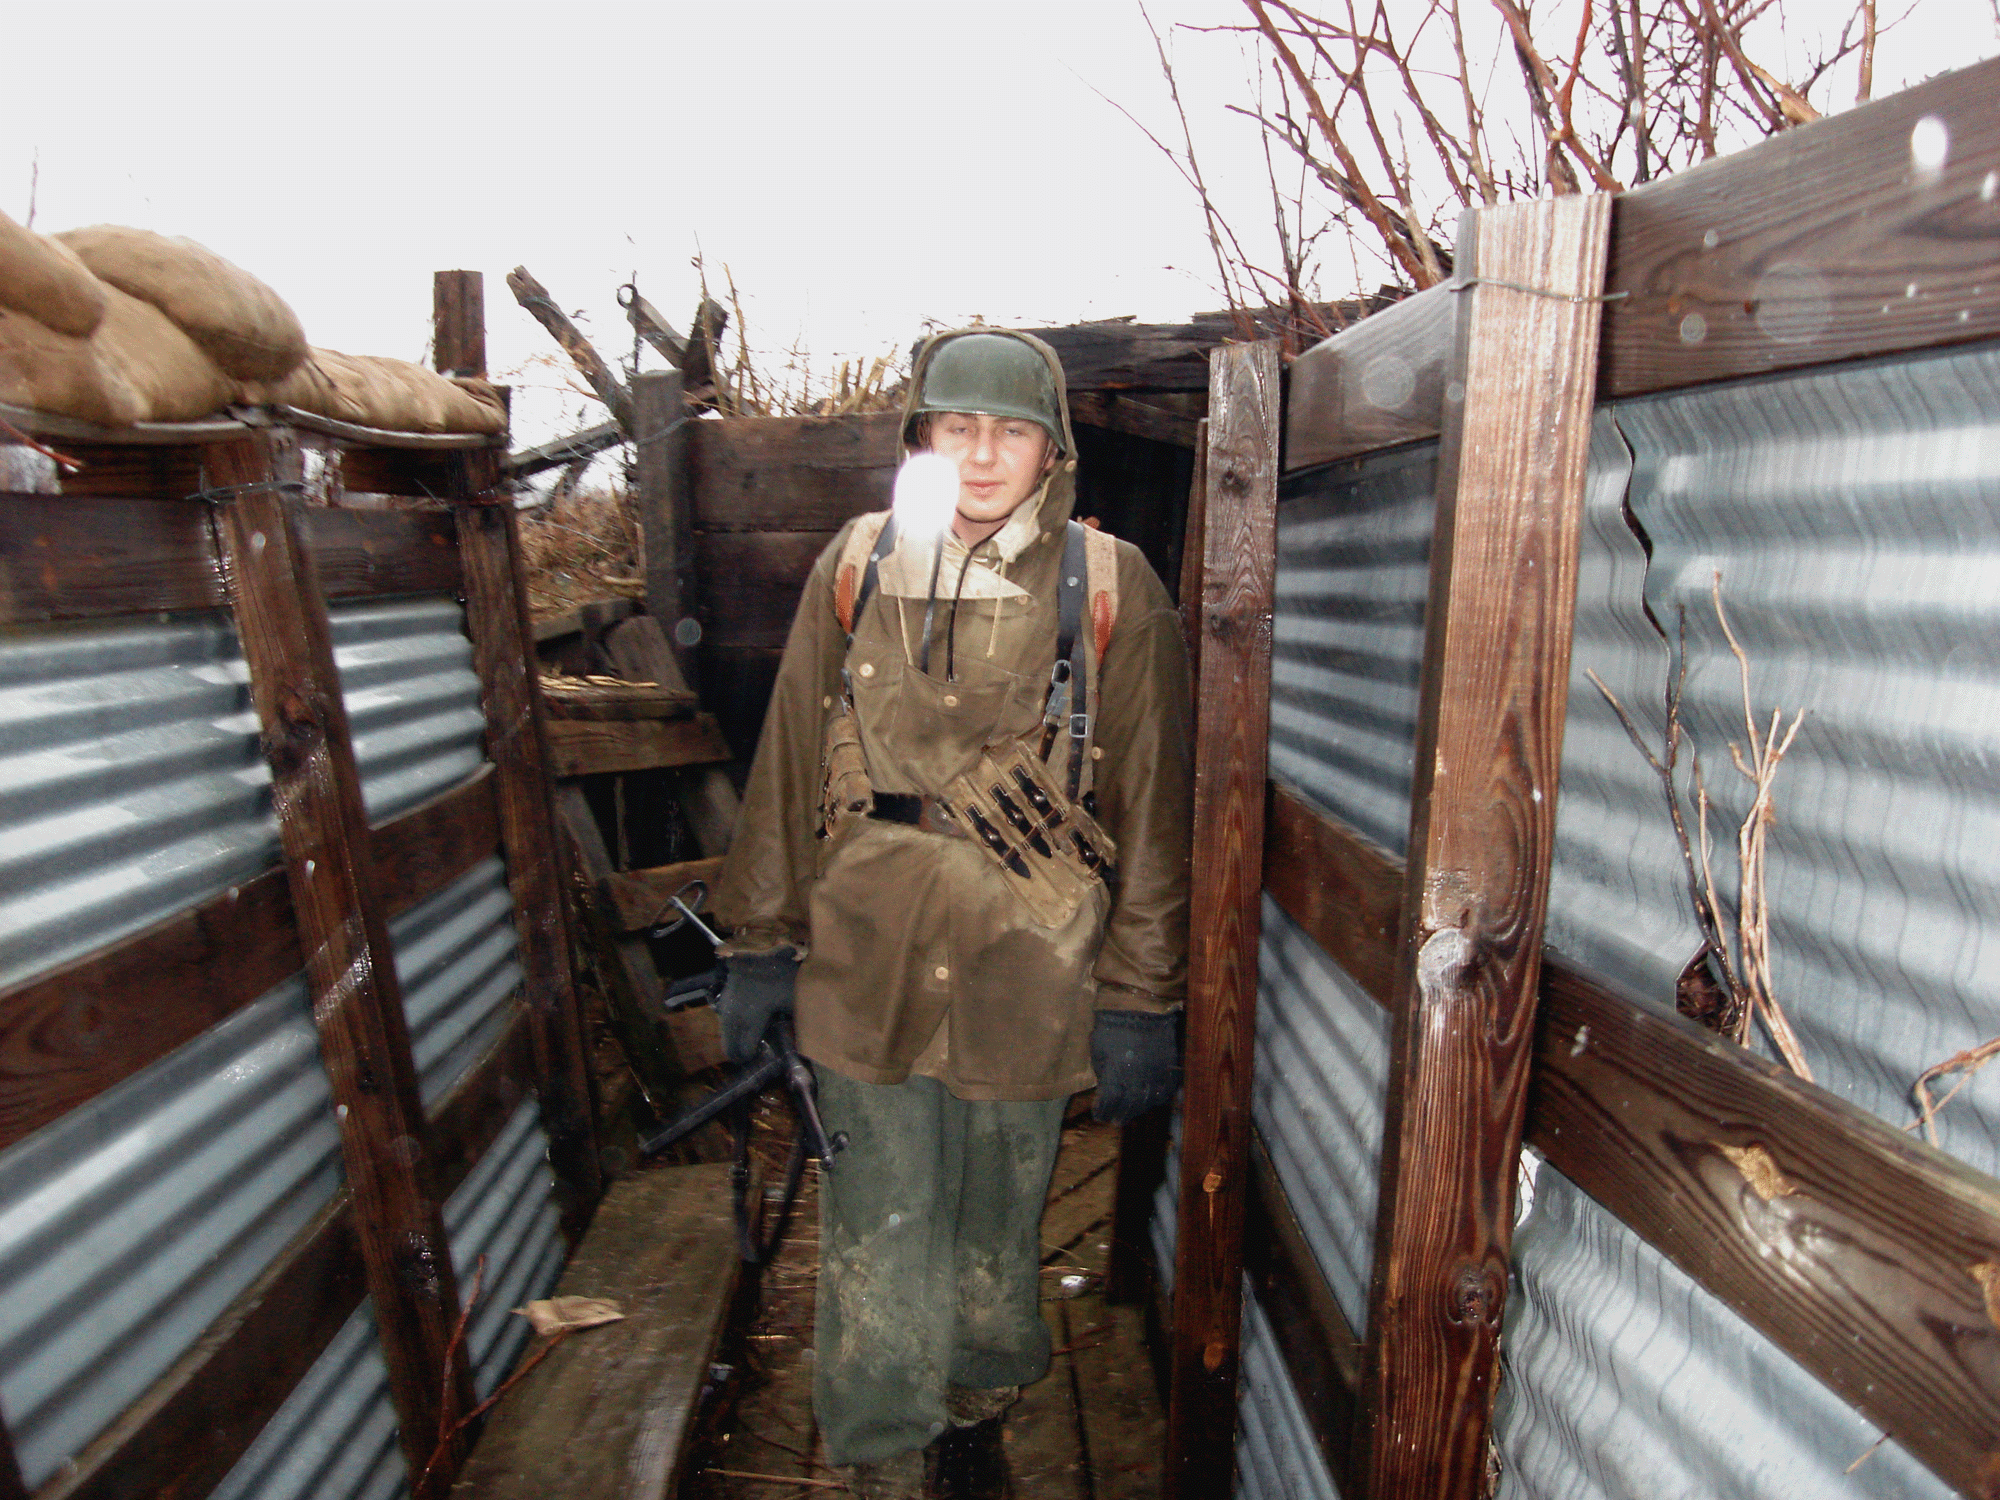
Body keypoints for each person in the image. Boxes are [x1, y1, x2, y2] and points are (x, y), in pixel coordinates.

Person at [710, 327, 1191, 1500]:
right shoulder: (856, 563)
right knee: (875, 1215)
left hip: (1026, 956)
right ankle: (882, 1449)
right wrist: (760, 946)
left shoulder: (1110, 584)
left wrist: (1141, 998)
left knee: (1000, 1210)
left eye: (1008, 431)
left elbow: (1154, 806)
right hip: (863, 950)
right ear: (920, 440)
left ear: (1051, 450)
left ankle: (976, 1413)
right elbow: (786, 757)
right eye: (954, 429)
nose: (980, 456)